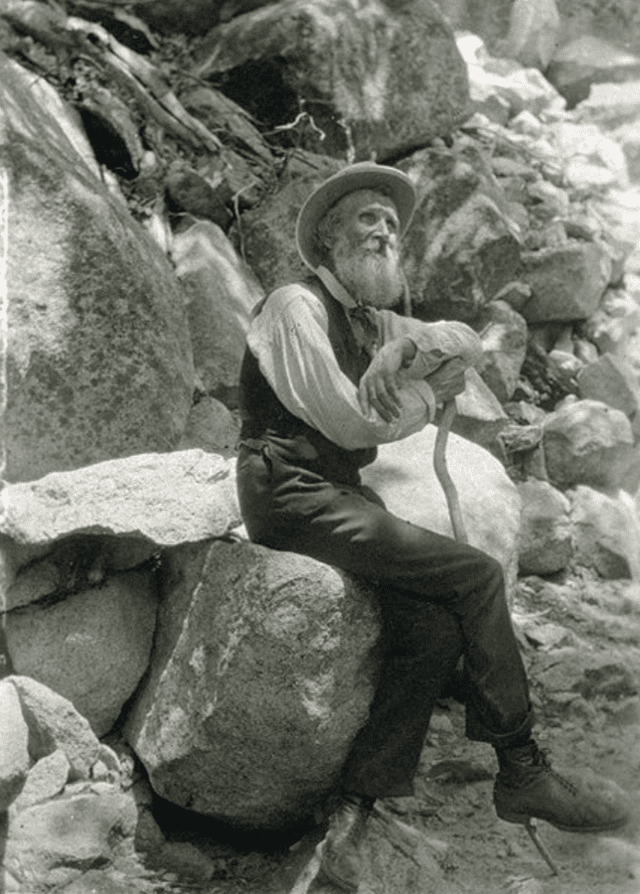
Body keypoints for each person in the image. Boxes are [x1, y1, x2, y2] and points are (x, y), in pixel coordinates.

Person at [236, 163, 629, 891]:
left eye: (391, 222)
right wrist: (427, 390)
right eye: (366, 220)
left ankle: (361, 800)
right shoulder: (295, 305)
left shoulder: (370, 318)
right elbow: (349, 419)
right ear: (328, 237)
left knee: (435, 625)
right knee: (474, 574)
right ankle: (523, 771)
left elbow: (466, 341)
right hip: (287, 491)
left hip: (336, 492)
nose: (385, 230)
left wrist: (407, 350)